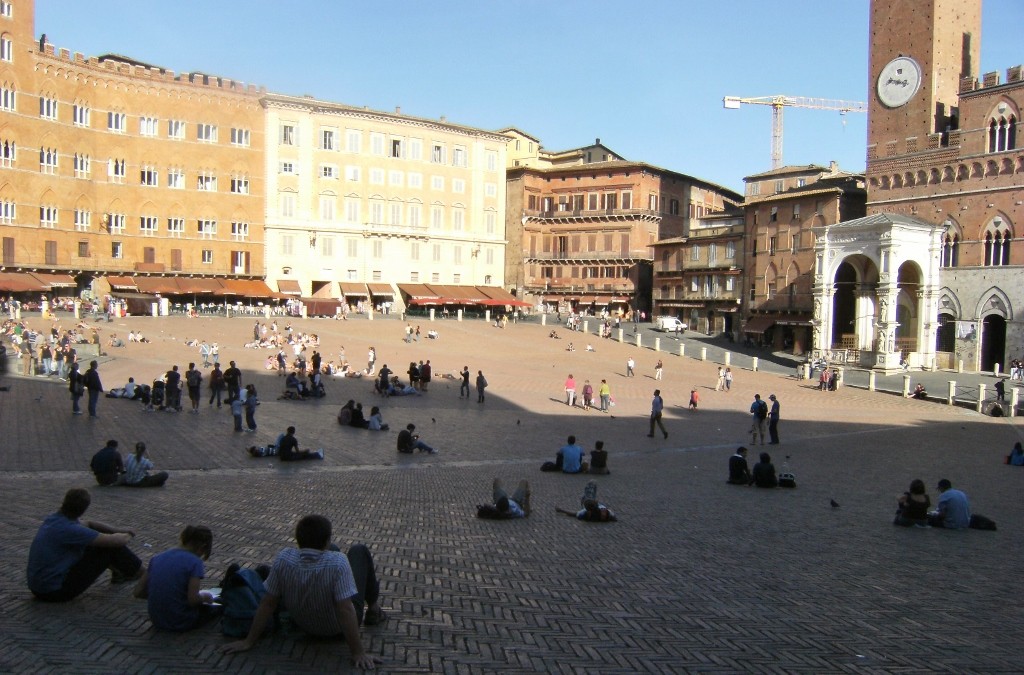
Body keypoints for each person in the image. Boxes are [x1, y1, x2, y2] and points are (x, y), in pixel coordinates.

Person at [222, 515, 385, 670]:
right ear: (326, 540)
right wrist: (358, 652)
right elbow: (345, 609)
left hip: (305, 625)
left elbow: (268, 603)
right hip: (336, 628)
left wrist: (249, 641)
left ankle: (370, 607)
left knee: (334, 550)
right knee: (359, 551)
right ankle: (373, 607)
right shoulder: (338, 562)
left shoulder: (283, 559)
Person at [26, 488, 142, 602]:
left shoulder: (54, 519)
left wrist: (118, 530)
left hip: (38, 587)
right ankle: (146, 576)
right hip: (55, 591)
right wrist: (129, 534)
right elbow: (116, 541)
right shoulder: (70, 529)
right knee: (109, 549)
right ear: (84, 509)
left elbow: (90, 524)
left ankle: (120, 573)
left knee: (96, 543)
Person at [134, 525, 220, 631]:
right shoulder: (195, 562)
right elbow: (193, 599)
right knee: (217, 608)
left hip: (157, 619)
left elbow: (138, 592)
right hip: (181, 621)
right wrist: (205, 597)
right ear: (202, 547)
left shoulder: (157, 558)